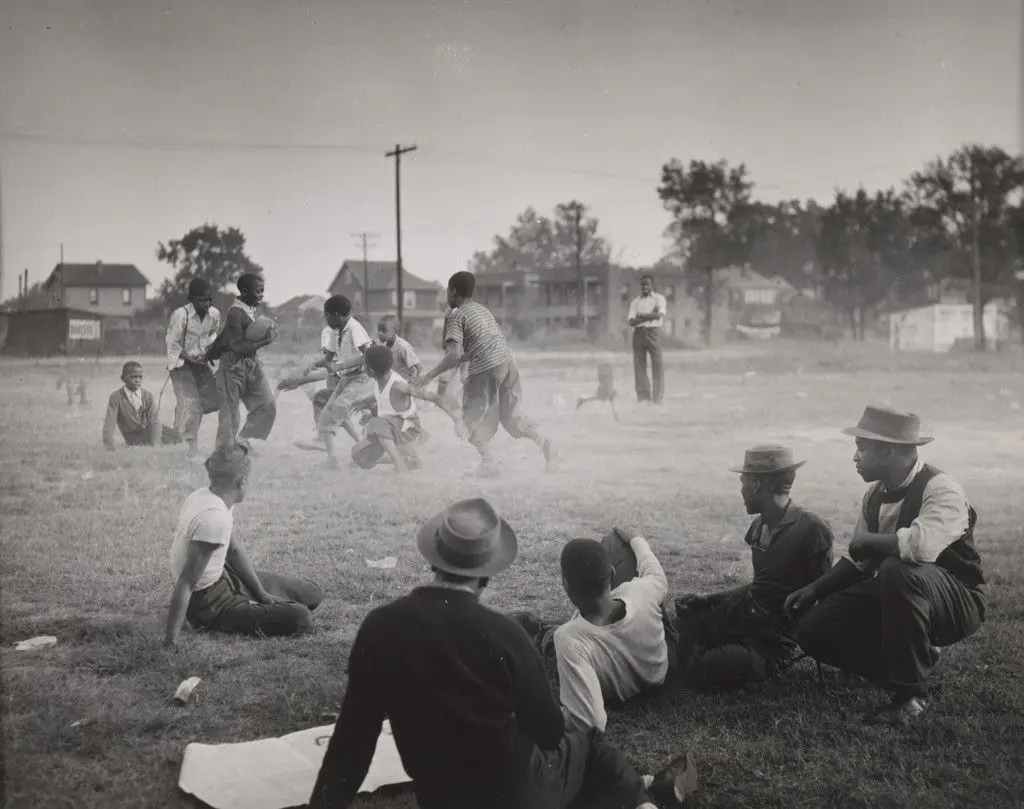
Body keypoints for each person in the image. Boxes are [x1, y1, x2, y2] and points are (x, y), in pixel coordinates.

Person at [305, 498, 696, 809]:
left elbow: (353, 740)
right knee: (588, 744)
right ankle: (644, 799)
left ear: (432, 556)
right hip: (520, 794)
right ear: (489, 571)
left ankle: (637, 792)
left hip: (445, 799)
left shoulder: (380, 625)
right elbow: (550, 732)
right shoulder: (506, 634)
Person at [786, 406, 985, 725]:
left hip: (956, 601)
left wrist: (867, 541)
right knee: (813, 630)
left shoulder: (941, 488)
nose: (855, 457)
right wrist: (814, 589)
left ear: (887, 450)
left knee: (897, 569)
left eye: (861, 448)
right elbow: (859, 560)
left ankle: (909, 698)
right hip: (900, 592)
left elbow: (919, 547)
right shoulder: (874, 496)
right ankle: (913, 660)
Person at [673, 446, 834, 692]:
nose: (741, 490)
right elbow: (762, 585)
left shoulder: (811, 529)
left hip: (767, 643)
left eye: (743, 482)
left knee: (700, 667)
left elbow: (822, 596)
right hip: (740, 616)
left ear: (757, 485)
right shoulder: (759, 527)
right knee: (679, 628)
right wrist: (708, 599)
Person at [514, 529, 675, 732]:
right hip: (658, 675)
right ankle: (536, 626)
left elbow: (590, 721)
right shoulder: (639, 591)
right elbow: (654, 572)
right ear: (612, 573)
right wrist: (637, 538)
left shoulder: (568, 639)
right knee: (616, 541)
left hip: (612, 680)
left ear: (565, 585)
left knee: (550, 639)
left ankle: (538, 629)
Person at [164, 443, 324, 644]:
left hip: (226, 578)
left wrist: (262, 594)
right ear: (242, 482)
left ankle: (253, 600)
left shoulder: (213, 497)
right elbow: (187, 582)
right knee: (301, 619)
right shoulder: (213, 518)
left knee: (312, 593)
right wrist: (170, 641)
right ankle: (239, 610)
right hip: (209, 603)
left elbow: (233, 550)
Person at [417, 271, 556, 478]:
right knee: (511, 418)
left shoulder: (456, 315)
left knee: (469, 419)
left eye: (447, 291)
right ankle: (544, 442)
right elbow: (476, 348)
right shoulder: (481, 310)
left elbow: (454, 355)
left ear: (453, 291)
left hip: (486, 368)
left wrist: (429, 376)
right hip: (508, 361)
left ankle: (489, 464)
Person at [278, 295, 374, 467]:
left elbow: (369, 356)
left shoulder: (354, 329)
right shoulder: (335, 332)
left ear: (336, 315)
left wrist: (341, 365)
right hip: (347, 379)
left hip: (361, 379)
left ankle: (365, 448)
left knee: (337, 409)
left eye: (326, 315)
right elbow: (328, 360)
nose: (325, 319)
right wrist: (312, 365)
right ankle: (331, 459)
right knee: (322, 401)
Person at [351, 345, 463, 474]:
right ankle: (410, 459)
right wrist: (364, 403)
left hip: (408, 429)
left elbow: (434, 398)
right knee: (357, 455)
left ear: (370, 370)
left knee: (376, 424)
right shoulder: (379, 381)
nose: (362, 367)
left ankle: (401, 466)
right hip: (392, 429)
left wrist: (457, 420)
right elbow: (385, 399)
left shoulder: (399, 385)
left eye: (364, 364)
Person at [207, 273, 278, 451]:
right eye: (259, 291)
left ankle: (240, 441)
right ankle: (223, 454)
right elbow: (237, 346)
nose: (262, 295)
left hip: (251, 363)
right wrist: (265, 342)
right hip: (232, 366)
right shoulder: (235, 313)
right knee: (230, 414)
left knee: (266, 406)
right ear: (245, 291)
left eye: (263, 291)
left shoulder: (250, 310)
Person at [166, 277, 221, 459]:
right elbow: (172, 344)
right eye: (200, 300)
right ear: (191, 299)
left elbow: (212, 335)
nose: (205, 304)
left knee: (212, 401)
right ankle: (192, 450)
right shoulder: (180, 315)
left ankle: (180, 425)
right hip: (181, 364)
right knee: (194, 403)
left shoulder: (214, 314)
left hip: (200, 362)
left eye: (208, 299)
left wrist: (207, 353)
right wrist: (190, 359)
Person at [102, 361, 181, 450]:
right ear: (123, 378)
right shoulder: (116, 397)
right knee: (171, 438)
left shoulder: (147, 396)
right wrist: (109, 446)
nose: (137, 380)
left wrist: (155, 445)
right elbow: (109, 423)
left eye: (140, 377)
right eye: (133, 377)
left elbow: (154, 421)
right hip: (133, 437)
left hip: (149, 431)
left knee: (178, 437)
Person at [627, 275, 666, 405]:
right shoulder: (635, 302)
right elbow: (631, 322)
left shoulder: (658, 299)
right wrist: (651, 316)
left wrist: (641, 316)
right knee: (639, 367)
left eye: (647, 284)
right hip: (638, 334)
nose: (645, 287)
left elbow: (659, 315)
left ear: (652, 285)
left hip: (653, 333)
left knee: (658, 366)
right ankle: (643, 398)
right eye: (642, 285)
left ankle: (657, 398)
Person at [375, 313, 422, 381]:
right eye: (379, 330)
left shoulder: (403, 347)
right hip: (392, 381)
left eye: (384, 331)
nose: (380, 333)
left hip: (404, 382)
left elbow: (419, 367)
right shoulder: (382, 344)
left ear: (395, 330)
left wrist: (415, 383)